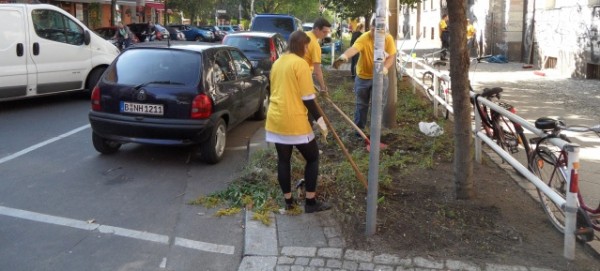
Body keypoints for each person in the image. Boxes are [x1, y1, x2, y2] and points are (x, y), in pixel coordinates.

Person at [266, 30, 331, 213]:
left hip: (275, 119)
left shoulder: (278, 62)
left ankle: (289, 202)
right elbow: (308, 99)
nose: (306, 49)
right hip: (294, 121)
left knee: (283, 160)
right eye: (305, 46)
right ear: (300, 45)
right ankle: (310, 202)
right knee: (312, 157)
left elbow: (286, 87)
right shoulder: (300, 64)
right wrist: (321, 122)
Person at [332, 18, 397, 133]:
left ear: (384, 30)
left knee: (378, 104)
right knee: (361, 104)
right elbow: (354, 49)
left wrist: (385, 68)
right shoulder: (364, 38)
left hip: (381, 77)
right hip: (363, 77)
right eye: (372, 30)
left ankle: (375, 131)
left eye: (378, 31)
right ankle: (359, 131)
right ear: (370, 28)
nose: (375, 33)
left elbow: (391, 56)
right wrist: (344, 57)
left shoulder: (388, 39)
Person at [304, 17, 332, 93]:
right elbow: (317, 70)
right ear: (317, 29)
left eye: (327, 32)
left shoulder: (304, 35)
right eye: (324, 32)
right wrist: (323, 87)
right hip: (303, 77)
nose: (326, 35)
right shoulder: (315, 45)